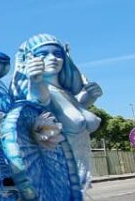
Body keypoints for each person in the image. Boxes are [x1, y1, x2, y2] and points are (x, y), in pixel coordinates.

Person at [10, 33, 103, 188]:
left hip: (78, 180)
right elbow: (39, 101)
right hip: (57, 180)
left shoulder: (65, 93)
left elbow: (68, 114)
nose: (52, 58)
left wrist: (90, 97)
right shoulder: (41, 89)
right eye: (43, 54)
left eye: (57, 54)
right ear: (30, 59)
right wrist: (35, 81)